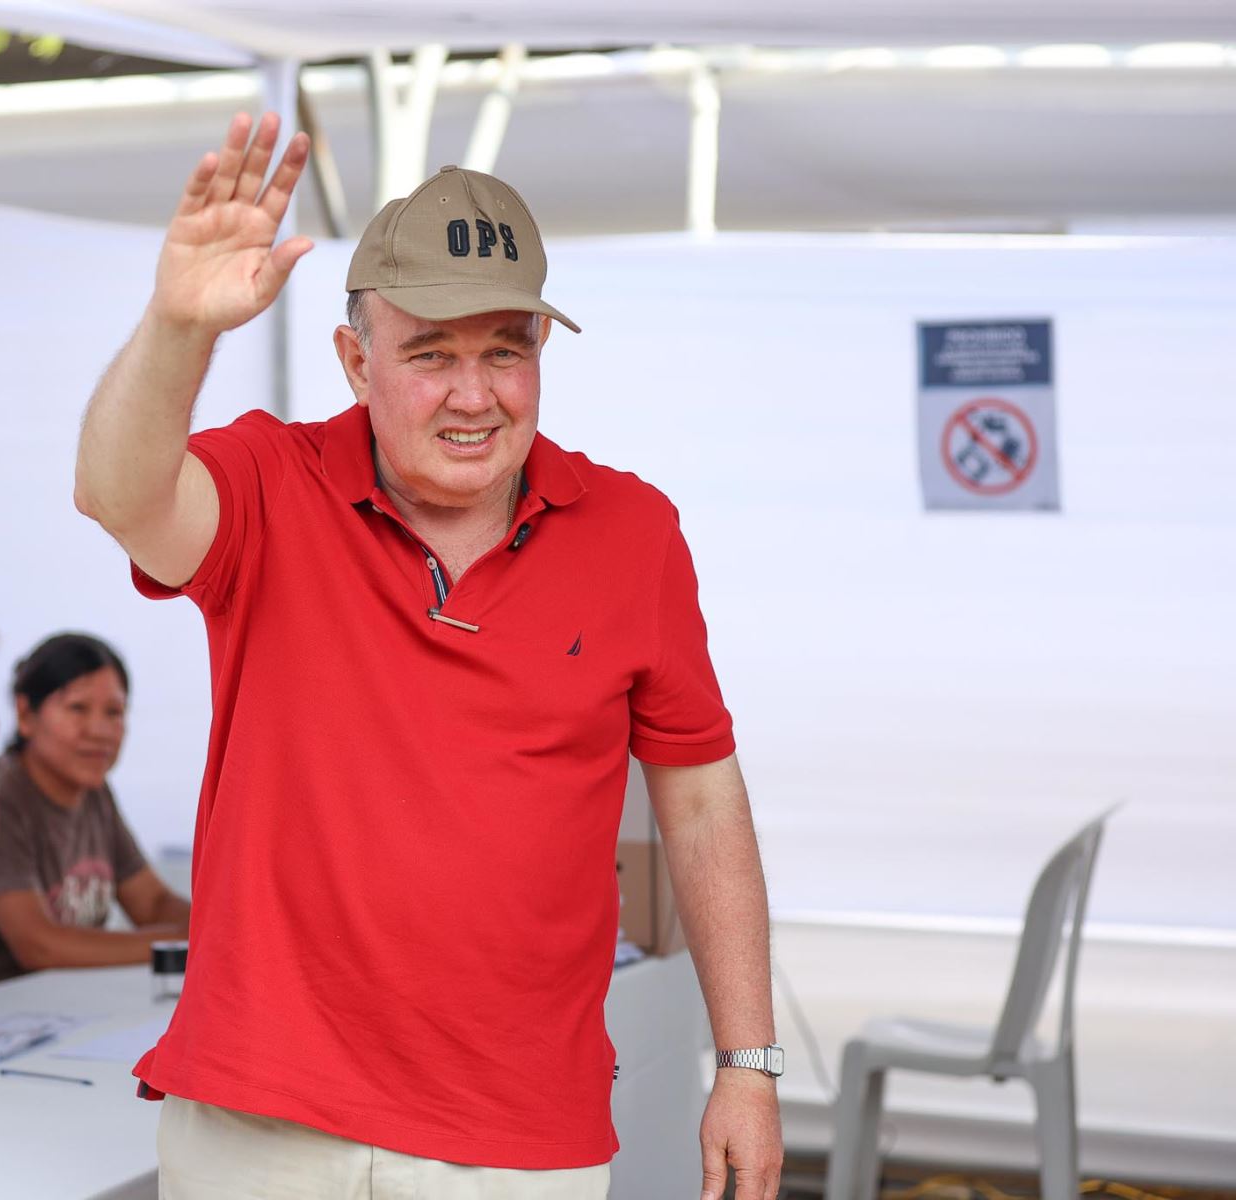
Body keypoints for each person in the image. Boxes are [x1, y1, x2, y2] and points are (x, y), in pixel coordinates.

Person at [74, 114, 784, 1199]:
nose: (473, 394)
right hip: (263, 1123)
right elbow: (118, 496)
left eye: (506, 351)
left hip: (517, 1139)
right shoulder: (271, 484)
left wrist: (748, 1064)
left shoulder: (635, 533)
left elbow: (699, 803)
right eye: (431, 354)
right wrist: (180, 327)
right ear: (356, 361)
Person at [0, 633, 190, 991]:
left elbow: (152, 904)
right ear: (25, 714)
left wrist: (229, 932)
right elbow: (39, 946)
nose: (99, 730)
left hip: (65, 1006)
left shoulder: (95, 793)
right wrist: (189, 946)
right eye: (77, 708)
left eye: (114, 712)